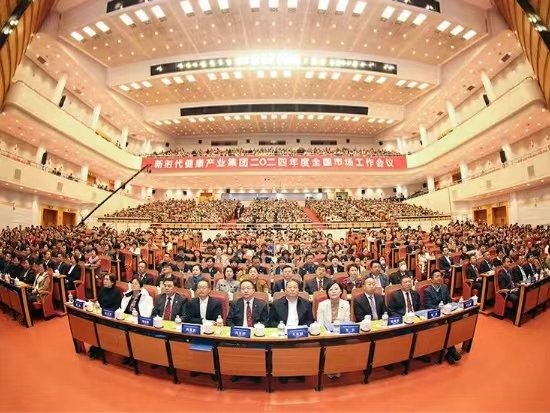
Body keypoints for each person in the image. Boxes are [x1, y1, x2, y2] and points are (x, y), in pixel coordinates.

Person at [423, 270, 462, 365]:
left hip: (447, 314)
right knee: (443, 326)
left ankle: (449, 353)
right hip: (435, 317)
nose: (439, 278)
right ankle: (451, 351)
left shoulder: (444, 287)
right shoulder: (427, 291)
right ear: (431, 280)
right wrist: (441, 309)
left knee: (458, 320)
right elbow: (429, 306)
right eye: (436, 276)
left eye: (440, 276)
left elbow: (449, 301)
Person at [88, 274, 123, 359]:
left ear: (112, 282)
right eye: (104, 279)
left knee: (102, 325)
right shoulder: (102, 290)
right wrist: (98, 306)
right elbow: (99, 301)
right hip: (101, 313)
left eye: (107, 280)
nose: (104, 281)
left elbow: (117, 306)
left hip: (111, 315)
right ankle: (96, 345)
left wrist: (105, 313)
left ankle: (101, 347)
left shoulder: (117, 292)